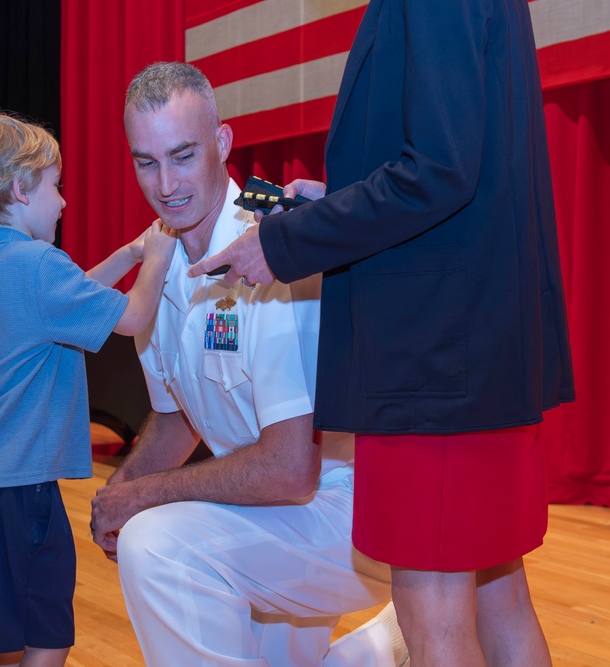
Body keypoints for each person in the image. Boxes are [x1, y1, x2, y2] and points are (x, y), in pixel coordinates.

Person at [189, 1, 575, 665]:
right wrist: (337, 201)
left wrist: (283, 243)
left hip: (434, 356)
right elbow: (458, 160)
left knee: (435, 621)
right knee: (498, 599)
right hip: (473, 348)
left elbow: (439, 170)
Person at [89, 62, 408, 667]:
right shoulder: (158, 269)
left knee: (157, 545)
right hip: (266, 514)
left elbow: (292, 470)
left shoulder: (276, 243)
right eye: (145, 162)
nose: (165, 184)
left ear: (224, 143)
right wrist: (124, 487)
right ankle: (389, 646)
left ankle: (406, 626)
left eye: (183, 156)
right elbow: (177, 419)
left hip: (349, 517)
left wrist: (147, 500)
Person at [0, 111, 176, 667]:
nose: (63, 201)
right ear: (20, 188)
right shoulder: (40, 264)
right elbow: (134, 318)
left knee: (11, 635)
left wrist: (131, 254)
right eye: (55, 186)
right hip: (19, 484)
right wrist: (156, 261)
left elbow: (70, 296)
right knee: (48, 632)